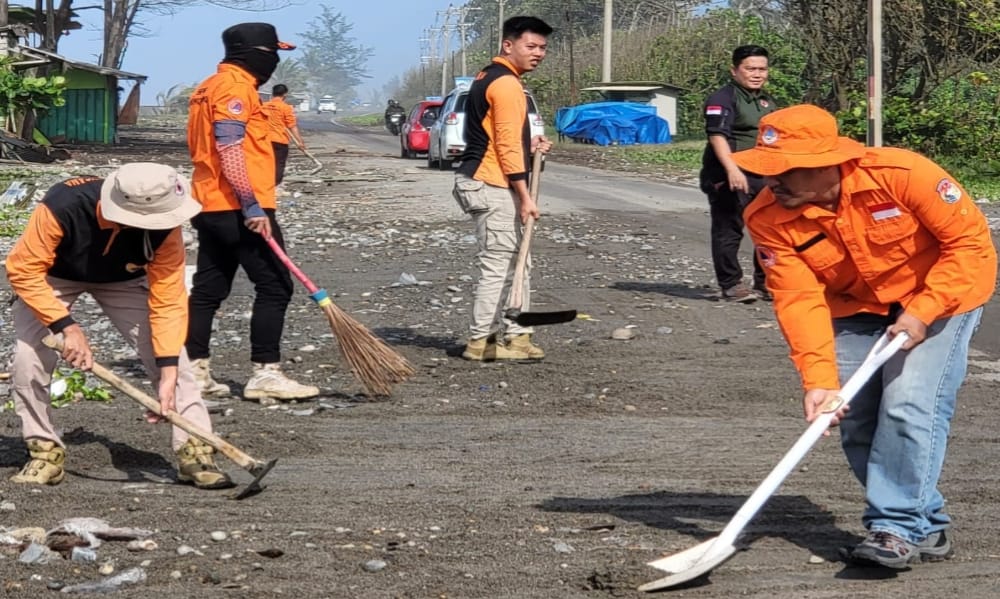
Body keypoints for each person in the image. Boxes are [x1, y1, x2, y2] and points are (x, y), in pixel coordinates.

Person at [733, 104, 997, 568]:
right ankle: (926, 524)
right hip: (855, 308)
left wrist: (924, 310)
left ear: (828, 162)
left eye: (786, 170)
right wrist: (818, 379)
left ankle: (893, 527)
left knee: (909, 401)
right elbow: (798, 299)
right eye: (766, 169)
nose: (772, 181)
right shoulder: (767, 217)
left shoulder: (903, 174)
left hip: (942, 296)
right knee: (853, 418)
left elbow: (970, 245)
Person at [5, 163, 233, 489]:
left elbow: (168, 299)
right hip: (52, 276)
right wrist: (67, 327)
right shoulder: (62, 205)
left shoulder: (166, 223)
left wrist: (166, 369)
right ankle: (44, 452)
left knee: (176, 364)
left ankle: (195, 449)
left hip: (125, 278)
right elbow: (23, 268)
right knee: (28, 359)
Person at [186, 22, 319, 401]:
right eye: (272, 53)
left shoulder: (208, 86)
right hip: (238, 207)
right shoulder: (234, 89)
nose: (275, 61)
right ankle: (266, 372)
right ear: (257, 53)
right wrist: (251, 205)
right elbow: (229, 147)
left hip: (209, 204)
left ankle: (194, 372)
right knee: (276, 285)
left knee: (209, 288)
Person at [452, 16, 554, 361]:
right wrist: (525, 197)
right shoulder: (507, 84)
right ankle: (481, 343)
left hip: (485, 178)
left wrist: (532, 142)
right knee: (500, 264)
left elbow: (500, 136)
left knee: (518, 261)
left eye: (542, 47)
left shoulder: (488, 76)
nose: (538, 53)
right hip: (490, 182)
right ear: (508, 45)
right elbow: (507, 145)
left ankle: (518, 337)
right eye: (531, 46)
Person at [700, 45, 777, 302]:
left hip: (762, 174)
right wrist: (732, 169)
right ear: (735, 71)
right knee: (729, 229)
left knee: (768, 229)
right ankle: (731, 284)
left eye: (762, 69)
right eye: (750, 68)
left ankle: (765, 282)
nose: (757, 74)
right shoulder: (722, 98)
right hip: (728, 173)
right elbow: (717, 135)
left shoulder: (767, 101)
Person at [262, 83, 306, 187]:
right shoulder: (286, 108)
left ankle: (264, 184)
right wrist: (300, 142)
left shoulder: (263, 106)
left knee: (265, 163)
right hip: (280, 140)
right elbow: (292, 126)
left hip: (263, 140)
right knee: (279, 164)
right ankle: (274, 185)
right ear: (285, 95)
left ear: (272, 93)